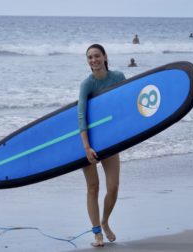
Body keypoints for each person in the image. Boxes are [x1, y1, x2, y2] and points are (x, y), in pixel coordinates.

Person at [78, 44, 125, 247]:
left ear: (105, 57)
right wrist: (87, 147)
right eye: (89, 57)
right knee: (93, 187)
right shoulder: (86, 84)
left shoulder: (118, 77)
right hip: (87, 141)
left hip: (109, 140)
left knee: (113, 187)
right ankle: (97, 233)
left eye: (97, 56)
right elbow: (81, 115)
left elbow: (127, 105)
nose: (93, 60)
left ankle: (105, 221)